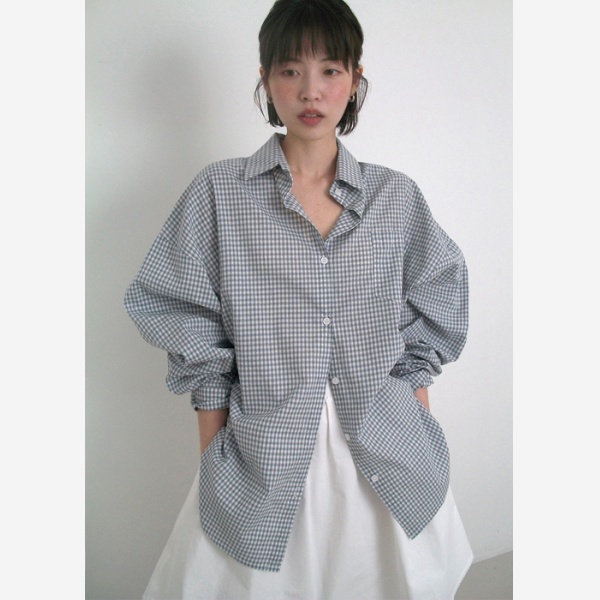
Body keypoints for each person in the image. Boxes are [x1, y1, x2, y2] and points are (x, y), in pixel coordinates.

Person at [124, 0, 473, 597]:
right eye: (290, 70)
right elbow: (187, 321)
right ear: (265, 79)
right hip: (264, 449)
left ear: (355, 79)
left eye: (330, 70)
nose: (310, 90)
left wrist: (418, 423)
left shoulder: (395, 198)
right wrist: (213, 457)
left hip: (385, 445)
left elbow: (425, 326)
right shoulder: (219, 194)